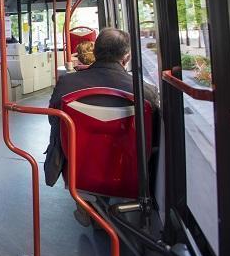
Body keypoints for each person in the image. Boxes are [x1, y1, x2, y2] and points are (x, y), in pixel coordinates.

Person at [43, 28, 159, 224]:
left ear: (95, 53)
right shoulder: (145, 92)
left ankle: (85, 203)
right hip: (128, 173)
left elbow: (54, 119)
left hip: (78, 169)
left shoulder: (66, 84)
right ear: (127, 57)